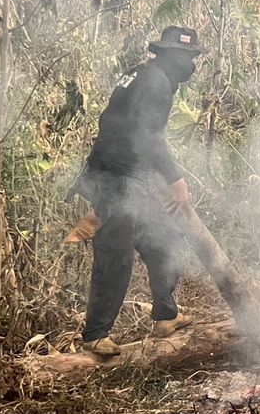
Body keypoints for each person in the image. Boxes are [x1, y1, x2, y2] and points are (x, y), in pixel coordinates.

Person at [74, 26, 205, 356]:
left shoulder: (144, 74)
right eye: (188, 57)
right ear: (171, 55)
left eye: (194, 57)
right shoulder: (156, 82)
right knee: (115, 255)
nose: (191, 64)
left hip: (130, 176)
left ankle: (166, 316)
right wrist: (174, 179)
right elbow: (148, 137)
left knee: (163, 239)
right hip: (114, 179)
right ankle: (95, 335)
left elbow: (129, 129)